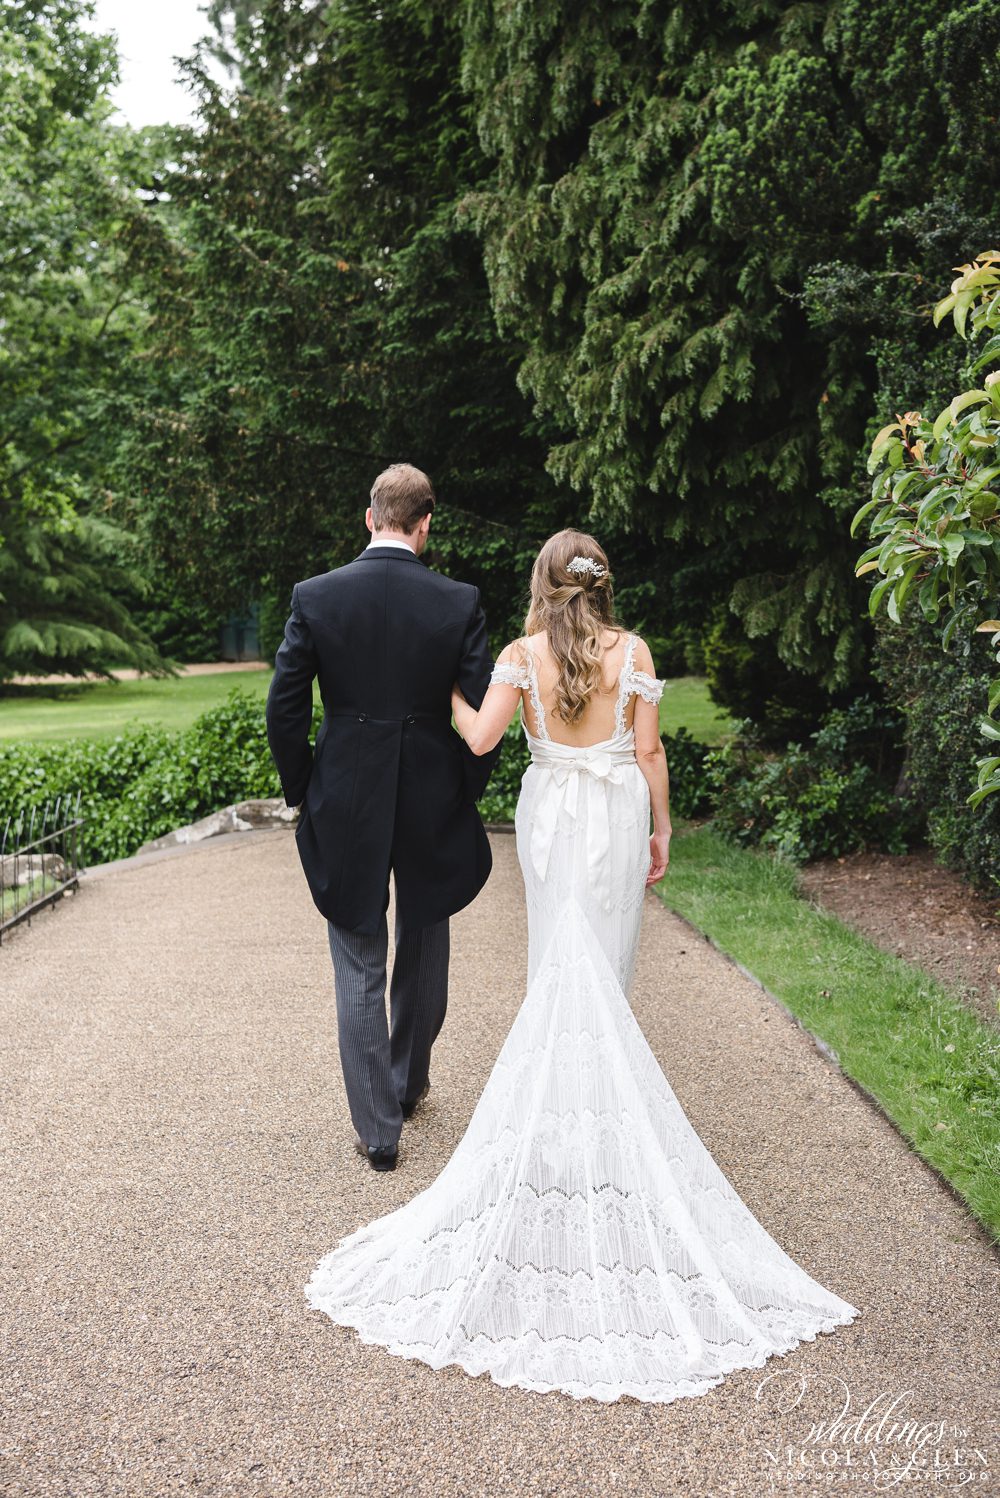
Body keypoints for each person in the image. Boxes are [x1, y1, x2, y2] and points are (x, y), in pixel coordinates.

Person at [303, 528, 860, 1404]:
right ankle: (602, 1136)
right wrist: (662, 829)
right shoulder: (631, 651)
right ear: (604, 582)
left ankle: (558, 1140)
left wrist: (443, 688)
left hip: (551, 819)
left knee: (556, 975)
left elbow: (482, 740)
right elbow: (648, 753)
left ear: (541, 582)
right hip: (611, 819)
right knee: (603, 977)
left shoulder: (523, 654)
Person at [266, 463, 500, 1173]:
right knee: (425, 943)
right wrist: (465, 789)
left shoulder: (317, 595)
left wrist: (304, 786)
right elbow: (484, 712)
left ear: (369, 517)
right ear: (425, 526)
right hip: (431, 792)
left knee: (358, 957)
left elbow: (285, 705)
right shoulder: (458, 601)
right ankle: (408, 1082)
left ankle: (378, 1130)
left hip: (346, 792)